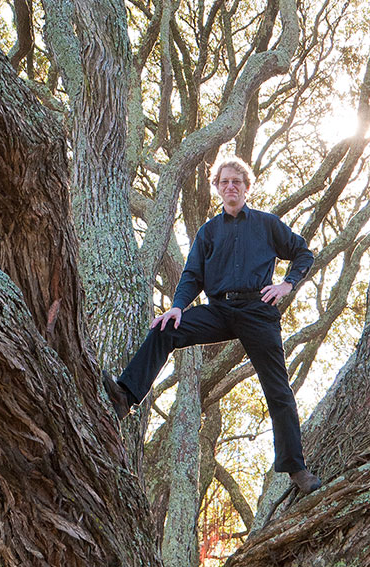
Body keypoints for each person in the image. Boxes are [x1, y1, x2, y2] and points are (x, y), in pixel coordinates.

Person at [103, 156, 321, 494]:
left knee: (278, 390)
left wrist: (286, 284)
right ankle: (125, 395)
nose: (230, 187)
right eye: (224, 182)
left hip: (257, 310)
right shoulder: (209, 231)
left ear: (247, 187)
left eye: (237, 182)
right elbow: (192, 275)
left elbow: (303, 253)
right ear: (217, 188)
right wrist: (177, 307)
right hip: (218, 309)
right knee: (164, 329)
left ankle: (296, 469)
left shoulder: (266, 224)